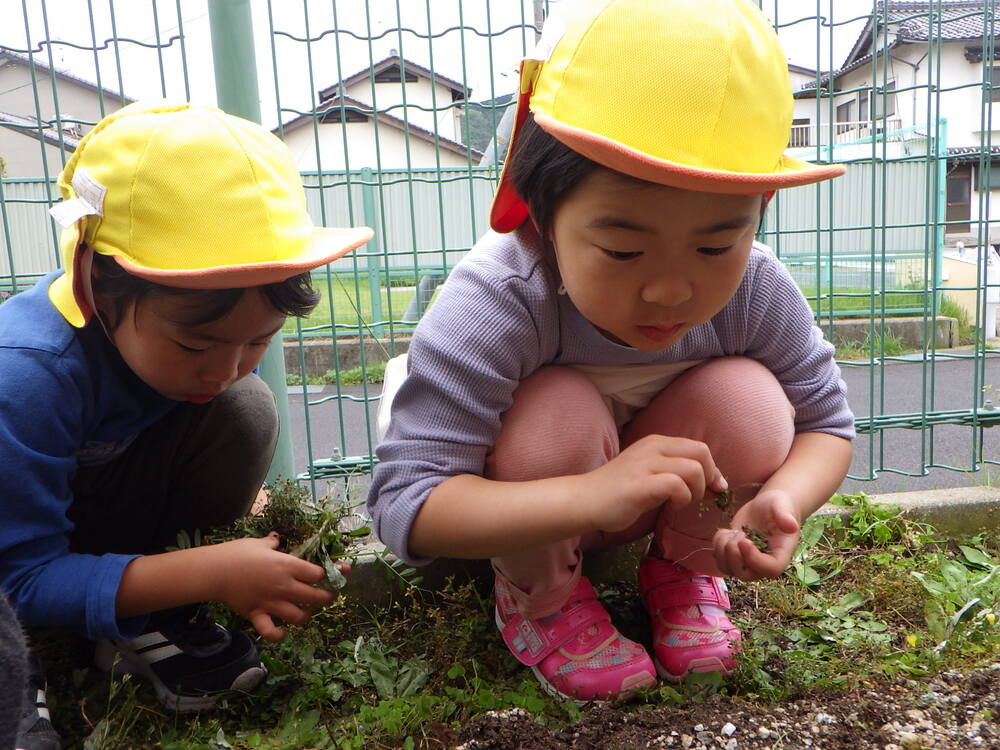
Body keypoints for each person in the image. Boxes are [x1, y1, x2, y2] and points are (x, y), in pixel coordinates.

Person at [368, 0, 855, 704]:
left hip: (664, 500)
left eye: (717, 244)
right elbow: (406, 502)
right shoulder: (497, 300)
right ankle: (541, 597)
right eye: (623, 249)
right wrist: (592, 493)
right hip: (535, 503)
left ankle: (684, 572)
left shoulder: (756, 290)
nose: (669, 290)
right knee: (552, 413)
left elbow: (826, 427)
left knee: (749, 400)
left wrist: (784, 498)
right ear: (543, 216)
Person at [0, 101, 373, 745]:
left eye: (258, 340)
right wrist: (209, 571)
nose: (225, 368)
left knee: (245, 410)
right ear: (97, 287)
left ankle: (143, 612)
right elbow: (18, 577)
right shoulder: (27, 377)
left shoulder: (198, 371)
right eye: (197, 346)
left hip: (79, 513)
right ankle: (33, 655)